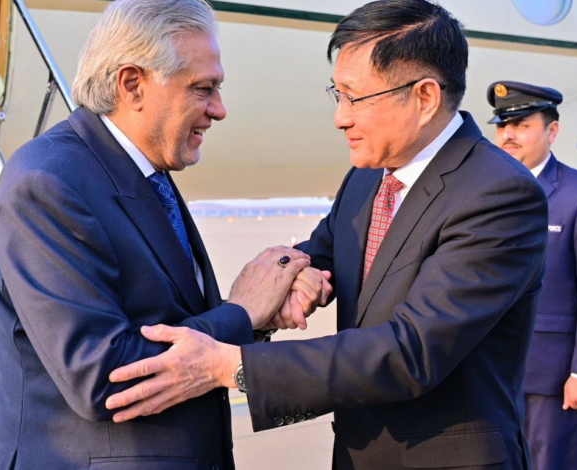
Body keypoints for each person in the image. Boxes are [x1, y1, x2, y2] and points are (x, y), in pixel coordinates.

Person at [103, 1, 550, 469]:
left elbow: (413, 351)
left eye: (355, 98)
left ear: (424, 98)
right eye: (337, 94)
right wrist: (287, 280)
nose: (340, 117)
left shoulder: (498, 194)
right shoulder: (369, 175)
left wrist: (229, 364)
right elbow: (319, 257)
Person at [0, 1, 328, 469]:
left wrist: (258, 315)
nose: (219, 110)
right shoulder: (46, 184)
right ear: (132, 85)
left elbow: (167, 320)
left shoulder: (139, 168)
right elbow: (104, 377)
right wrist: (241, 312)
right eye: (202, 89)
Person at [488, 80, 577, 470]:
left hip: (552, 378)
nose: (509, 135)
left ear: (552, 131)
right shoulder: (486, 192)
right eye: (503, 125)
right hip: (488, 374)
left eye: (522, 125)